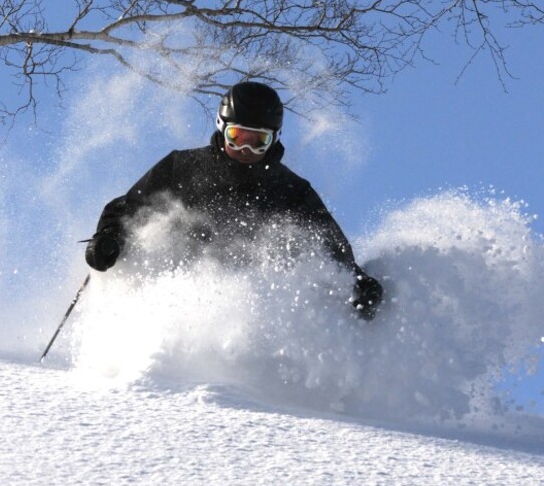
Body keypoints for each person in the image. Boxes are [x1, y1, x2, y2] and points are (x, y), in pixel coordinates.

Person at [85, 81, 383, 320]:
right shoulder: (183, 167)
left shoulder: (291, 191)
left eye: (259, 141)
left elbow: (329, 243)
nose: (247, 149)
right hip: (173, 290)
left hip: (249, 307)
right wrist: (108, 237)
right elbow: (129, 207)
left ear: (275, 139)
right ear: (221, 127)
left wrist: (356, 281)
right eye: (238, 136)